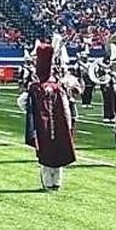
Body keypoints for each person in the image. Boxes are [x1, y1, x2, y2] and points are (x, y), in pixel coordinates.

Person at [18, 39, 76, 191]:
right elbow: (65, 107)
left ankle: (50, 182)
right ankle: (55, 182)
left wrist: (32, 113)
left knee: (48, 151)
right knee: (54, 151)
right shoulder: (54, 87)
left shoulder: (38, 88)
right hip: (56, 125)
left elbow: (22, 102)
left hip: (45, 125)